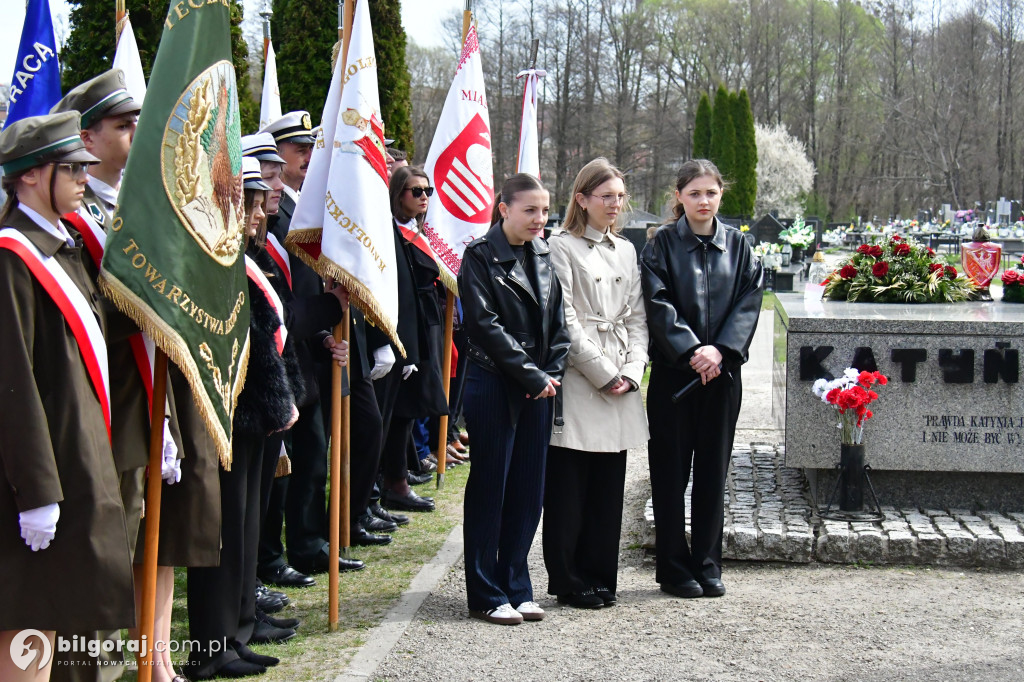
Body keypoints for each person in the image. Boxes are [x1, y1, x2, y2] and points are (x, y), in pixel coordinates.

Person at [49, 70, 187, 682]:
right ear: (86, 135)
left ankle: (144, 658)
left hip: (146, 393)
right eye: (123, 125)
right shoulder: (75, 225)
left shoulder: (137, 204)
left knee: (138, 536)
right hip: (107, 400)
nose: (136, 134)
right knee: (103, 545)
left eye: (137, 122)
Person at [0, 112, 134, 681]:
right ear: (31, 176)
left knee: (69, 619)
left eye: (83, 166)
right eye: (70, 167)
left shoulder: (62, 246)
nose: (84, 176)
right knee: (29, 629)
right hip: (42, 476)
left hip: (78, 462)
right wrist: (36, 490)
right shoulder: (14, 255)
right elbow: (14, 382)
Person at [185, 158, 309, 679]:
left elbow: (273, 332)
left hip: (258, 410)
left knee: (245, 525)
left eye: (260, 204)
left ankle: (238, 627)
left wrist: (285, 396)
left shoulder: (249, 257)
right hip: (230, 411)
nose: (259, 214)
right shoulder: (216, 258)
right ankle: (212, 646)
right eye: (250, 204)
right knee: (223, 533)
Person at [640, 159, 763, 599]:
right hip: (676, 378)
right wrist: (693, 350)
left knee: (713, 473)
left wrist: (721, 351)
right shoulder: (660, 246)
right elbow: (658, 303)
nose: (703, 201)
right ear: (679, 197)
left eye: (710, 193)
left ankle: (708, 563)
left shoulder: (739, 246)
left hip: (723, 377)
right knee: (670, 474)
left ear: (721, 195)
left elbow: (750, 299)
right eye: (694, 193)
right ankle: (673, 568)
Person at [458, 173, 570, 625]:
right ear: (503, 208)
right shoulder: (480, 257)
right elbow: (483, 325)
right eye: (530, 210)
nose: (539, 219)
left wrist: (550, 375)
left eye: (544, 210)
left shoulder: (544, 253)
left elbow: (559, 323)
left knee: (528, 488)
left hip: (539, 387)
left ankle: (517, 585)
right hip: (493, 384)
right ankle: (486, 592)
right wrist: (530, 374)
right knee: (491, 486)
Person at [257, 113, 365, 577]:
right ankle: (271, 558)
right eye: (297, 149)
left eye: (309, 149)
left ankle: (307, 543)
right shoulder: (269, 209)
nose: (305, 157)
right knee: (278, 471)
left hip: (304, 350)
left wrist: (324, 334)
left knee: (311, 458)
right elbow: (283, 294)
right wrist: (324, 312)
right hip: (279, 350)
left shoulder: (306, 205)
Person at [544, 158, 649, 609]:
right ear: (582, 199)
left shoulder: (626, 249)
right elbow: (563, 320)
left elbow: (639, 318)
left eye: (620, 197)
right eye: (606, 196)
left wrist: (631, 370)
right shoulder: (560, 246)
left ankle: (602, 576)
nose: (615, 205)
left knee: (609, 489)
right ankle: (568, 579)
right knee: (570, 491)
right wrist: (604, 373)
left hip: (620, 375)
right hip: (582, 378)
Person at [374, 166, 447, 517]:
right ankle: (391, 484)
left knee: (411, 407)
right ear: (397, 194)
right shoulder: (389, 233)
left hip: (424, 324)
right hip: (402, 329)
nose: (423, 197)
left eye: (427, 191)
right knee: (396, 411)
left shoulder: (415, 232)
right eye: (415, 191)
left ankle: (397, 479)